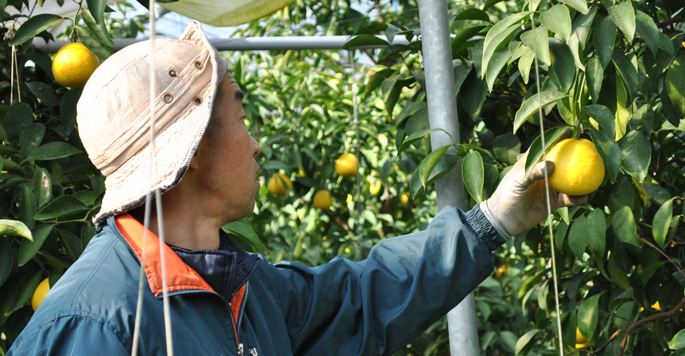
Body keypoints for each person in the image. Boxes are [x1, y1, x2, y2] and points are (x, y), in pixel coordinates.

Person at [8, 22, 586, 356]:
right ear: (192, 150)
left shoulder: (243, 287)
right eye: (240, 115)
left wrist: (495, 220)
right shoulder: (90, 327)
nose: (256, 143)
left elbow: (363, 299)